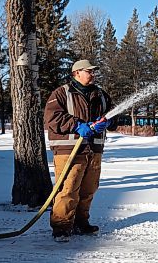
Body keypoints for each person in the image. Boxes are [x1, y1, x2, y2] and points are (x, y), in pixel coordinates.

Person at [44, 59, 117, 242]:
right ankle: (61, 227)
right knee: (68, 189)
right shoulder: (62, 93)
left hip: (93, 150)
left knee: (88, 189)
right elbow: (52, 117)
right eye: (89, 71)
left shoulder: (100, 94)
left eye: (94, 71)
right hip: (69, 150)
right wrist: (77, 126)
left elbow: (114, 114)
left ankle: (81, 222)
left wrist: (108, 121)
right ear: (76, 73)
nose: (93, 74)